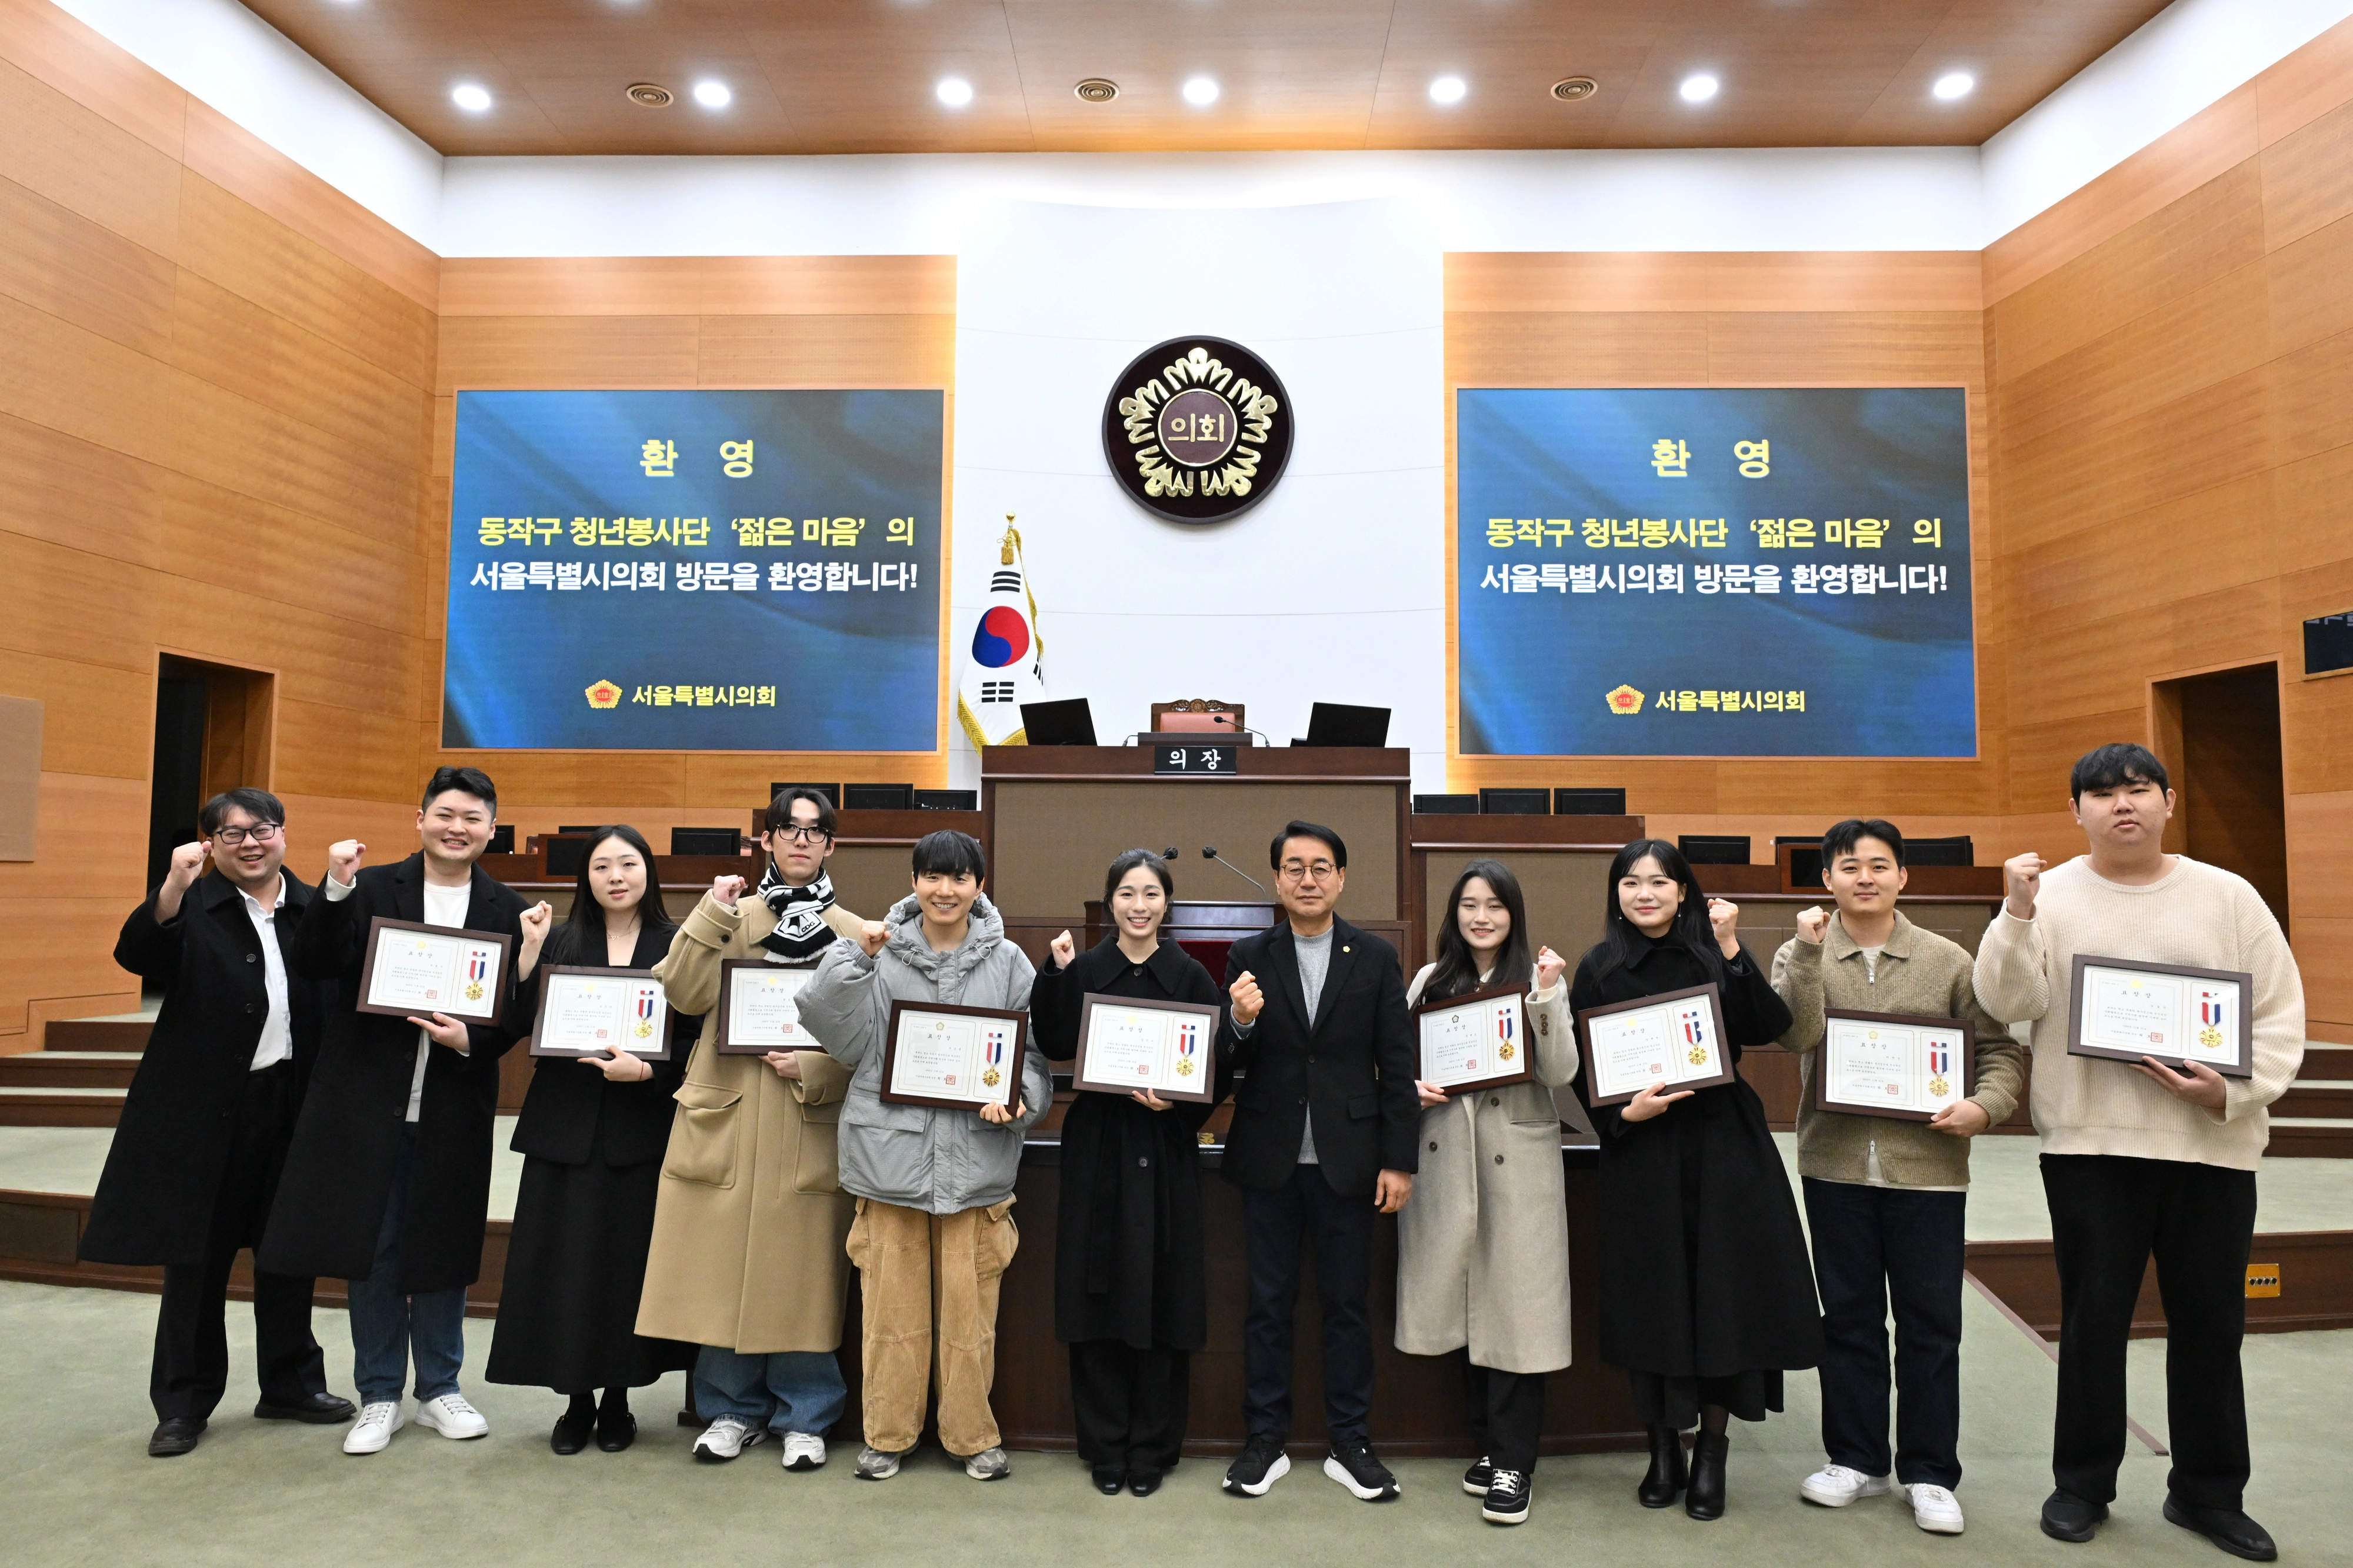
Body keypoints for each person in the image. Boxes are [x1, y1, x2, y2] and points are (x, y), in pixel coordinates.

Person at [1975, 744, 2304, 1561]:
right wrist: (2014, 913)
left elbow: (2279, 1010)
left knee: (2211, 1324)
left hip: (2212, 1148)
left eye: (2138, 790)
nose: (2123, 805)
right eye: (2102, 793)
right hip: (2091, 1145)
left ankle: (2208, 1492)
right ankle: (2082, 1482)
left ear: (2169, 800)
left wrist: (2230, 1090)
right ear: (2076, 811)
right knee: (2093, 1322)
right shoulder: (2046, 898)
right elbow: (2006, 1001)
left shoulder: (2229, 896)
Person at [260, 766, 551, 1456]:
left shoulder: (508, 907)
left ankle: (441, 1389)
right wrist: (333, 886)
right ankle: (380, 1392)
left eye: (473, 818)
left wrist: (475, 1030)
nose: (458, 827)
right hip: (366, 1103)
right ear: (421, 819)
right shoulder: (368, 887)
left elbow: (512, 1020)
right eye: (446, 814)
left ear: (490, 828)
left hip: (452, 1103)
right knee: (376, 1249)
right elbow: (316, 960)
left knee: (444, 1248)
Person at [1768, 818, 2024, 1536]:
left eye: (1880, 865)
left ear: (1903, 877)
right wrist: (1813, 955)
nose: (1865, 877)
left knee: (1930, 1326)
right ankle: (1853, 1457)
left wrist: (1983, 1105)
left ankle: (1929, 1471)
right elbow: (1795, 1034)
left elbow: (2001, 1052)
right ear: (1827, 879)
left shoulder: (1948, 959)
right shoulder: (1801, 951)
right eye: (1849, 866)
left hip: (1929, 1173)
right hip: (1835, 1165)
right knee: (1847, 1319)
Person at [82, 788, 354, 1457]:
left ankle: (289, 1382)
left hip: (293, 1105)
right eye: (232, 835)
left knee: (287, 1249)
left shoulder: (314, 909)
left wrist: (342, 886)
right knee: (195, 1259)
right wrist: (173, 884)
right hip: (209, 1112)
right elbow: (139, 952)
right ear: (210, 846)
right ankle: (182, 1400)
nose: (251, 842)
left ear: (284, 835)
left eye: (262, 829)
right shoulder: (193, 907)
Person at [1569, 838, 1819, 1521]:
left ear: (1684, 891)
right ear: (1615, 892)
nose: (1644, 892)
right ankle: (1661, 1447)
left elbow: (1771, 1026)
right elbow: (1581, 1069)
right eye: (1630, 881)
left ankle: (1712, 1451)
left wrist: (1735, 947)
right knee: (1652, 1297)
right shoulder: (1596, 967)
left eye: (1659, 881)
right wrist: (1623, 1113)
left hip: (1722, 1149)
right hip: (1642, 1150)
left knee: (1722, 1299)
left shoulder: (1715, 952)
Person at [795, 828, 1050, 1483]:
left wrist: (1017, 1099)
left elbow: (1029, 1057)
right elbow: (836, 1031)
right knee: (890, 1315)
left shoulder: (1011, 962)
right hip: (891, 1162)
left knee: (971, 1320)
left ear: (979, 885)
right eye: (932, 876)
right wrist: (852, 953)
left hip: (975, 1164)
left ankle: (972, 1436)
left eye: (959, 877)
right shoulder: (879, 953)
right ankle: (887, 1434)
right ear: (914, 881)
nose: (945, 889)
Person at [635, 788, 866, 1471]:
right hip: (725, 1116)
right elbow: (680, 992)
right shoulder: (729, 916)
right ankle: (729, 1409)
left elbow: (867, 1042)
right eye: (787, 829)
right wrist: (710, 911)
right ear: (766, 839)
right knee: (720, 1270)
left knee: (803, 1276)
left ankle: (806, 1415)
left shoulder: (854, 932)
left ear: (831, 844)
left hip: (807, 1121)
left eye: (814, 830)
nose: (800, 840)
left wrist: (815, 1066)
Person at [1218, 820, 1419, 1503]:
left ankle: (1351, 1440)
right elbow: (1228, 1061)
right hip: (1269, 1157)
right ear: (1276, 878)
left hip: (1351, 1160)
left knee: (1346, 1305)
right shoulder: (1248, 952)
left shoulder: (1373, 956)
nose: (1308, 879)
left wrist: (1399, 1159)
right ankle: (1264, 1439)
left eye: (1321, 867)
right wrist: (1238, 1021)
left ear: (1341, 877)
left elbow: (1397, 1065)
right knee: (1267, 1304)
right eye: (1295, 867)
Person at [486, 825, 696, 1453]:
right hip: (565, 1130)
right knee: (565, 1267)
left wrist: (649, 1070)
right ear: (586, 877)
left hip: (640, 1129)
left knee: (624, 1269)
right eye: (601, 865)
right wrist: (525, 956)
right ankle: (575, 1401)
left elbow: (695, 1037)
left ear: (648, 872)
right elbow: (515, 1022)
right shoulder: (556, 938)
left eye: (627, 863)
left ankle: (619, 1400)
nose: (615, 875)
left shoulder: (675, 943)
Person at [1029, 849, 1229, 1498]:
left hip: (1167, 1144)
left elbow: (1217, 1068)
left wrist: (1180, 1097)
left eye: (1150, 893)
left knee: (1163, 1294)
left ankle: (1153, 1446)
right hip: (1100, 1146)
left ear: (1166, 903)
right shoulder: (1084, 967)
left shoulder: (1193, 976)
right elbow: (1057, 1039)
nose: (1138, 905)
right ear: (1109, 901)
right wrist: (1055, 972)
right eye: (1126, 893)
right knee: (1097, 1292)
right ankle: (1104, 1444)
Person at [1395, 859, 1577, 1526]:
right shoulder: (1428, 978)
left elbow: (1560, 1071)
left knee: (1516, 1314)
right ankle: (1490, 1446)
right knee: (1468, 1305)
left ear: (1514, 914)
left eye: (1495, 905)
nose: (1481, 916)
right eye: (1469, 904)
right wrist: (1408, 1087)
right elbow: (1398, 1060)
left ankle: (1512, 1463)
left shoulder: (1540, 977)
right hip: (1446, 1160)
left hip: (1516, 1167)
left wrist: (1548, 997)